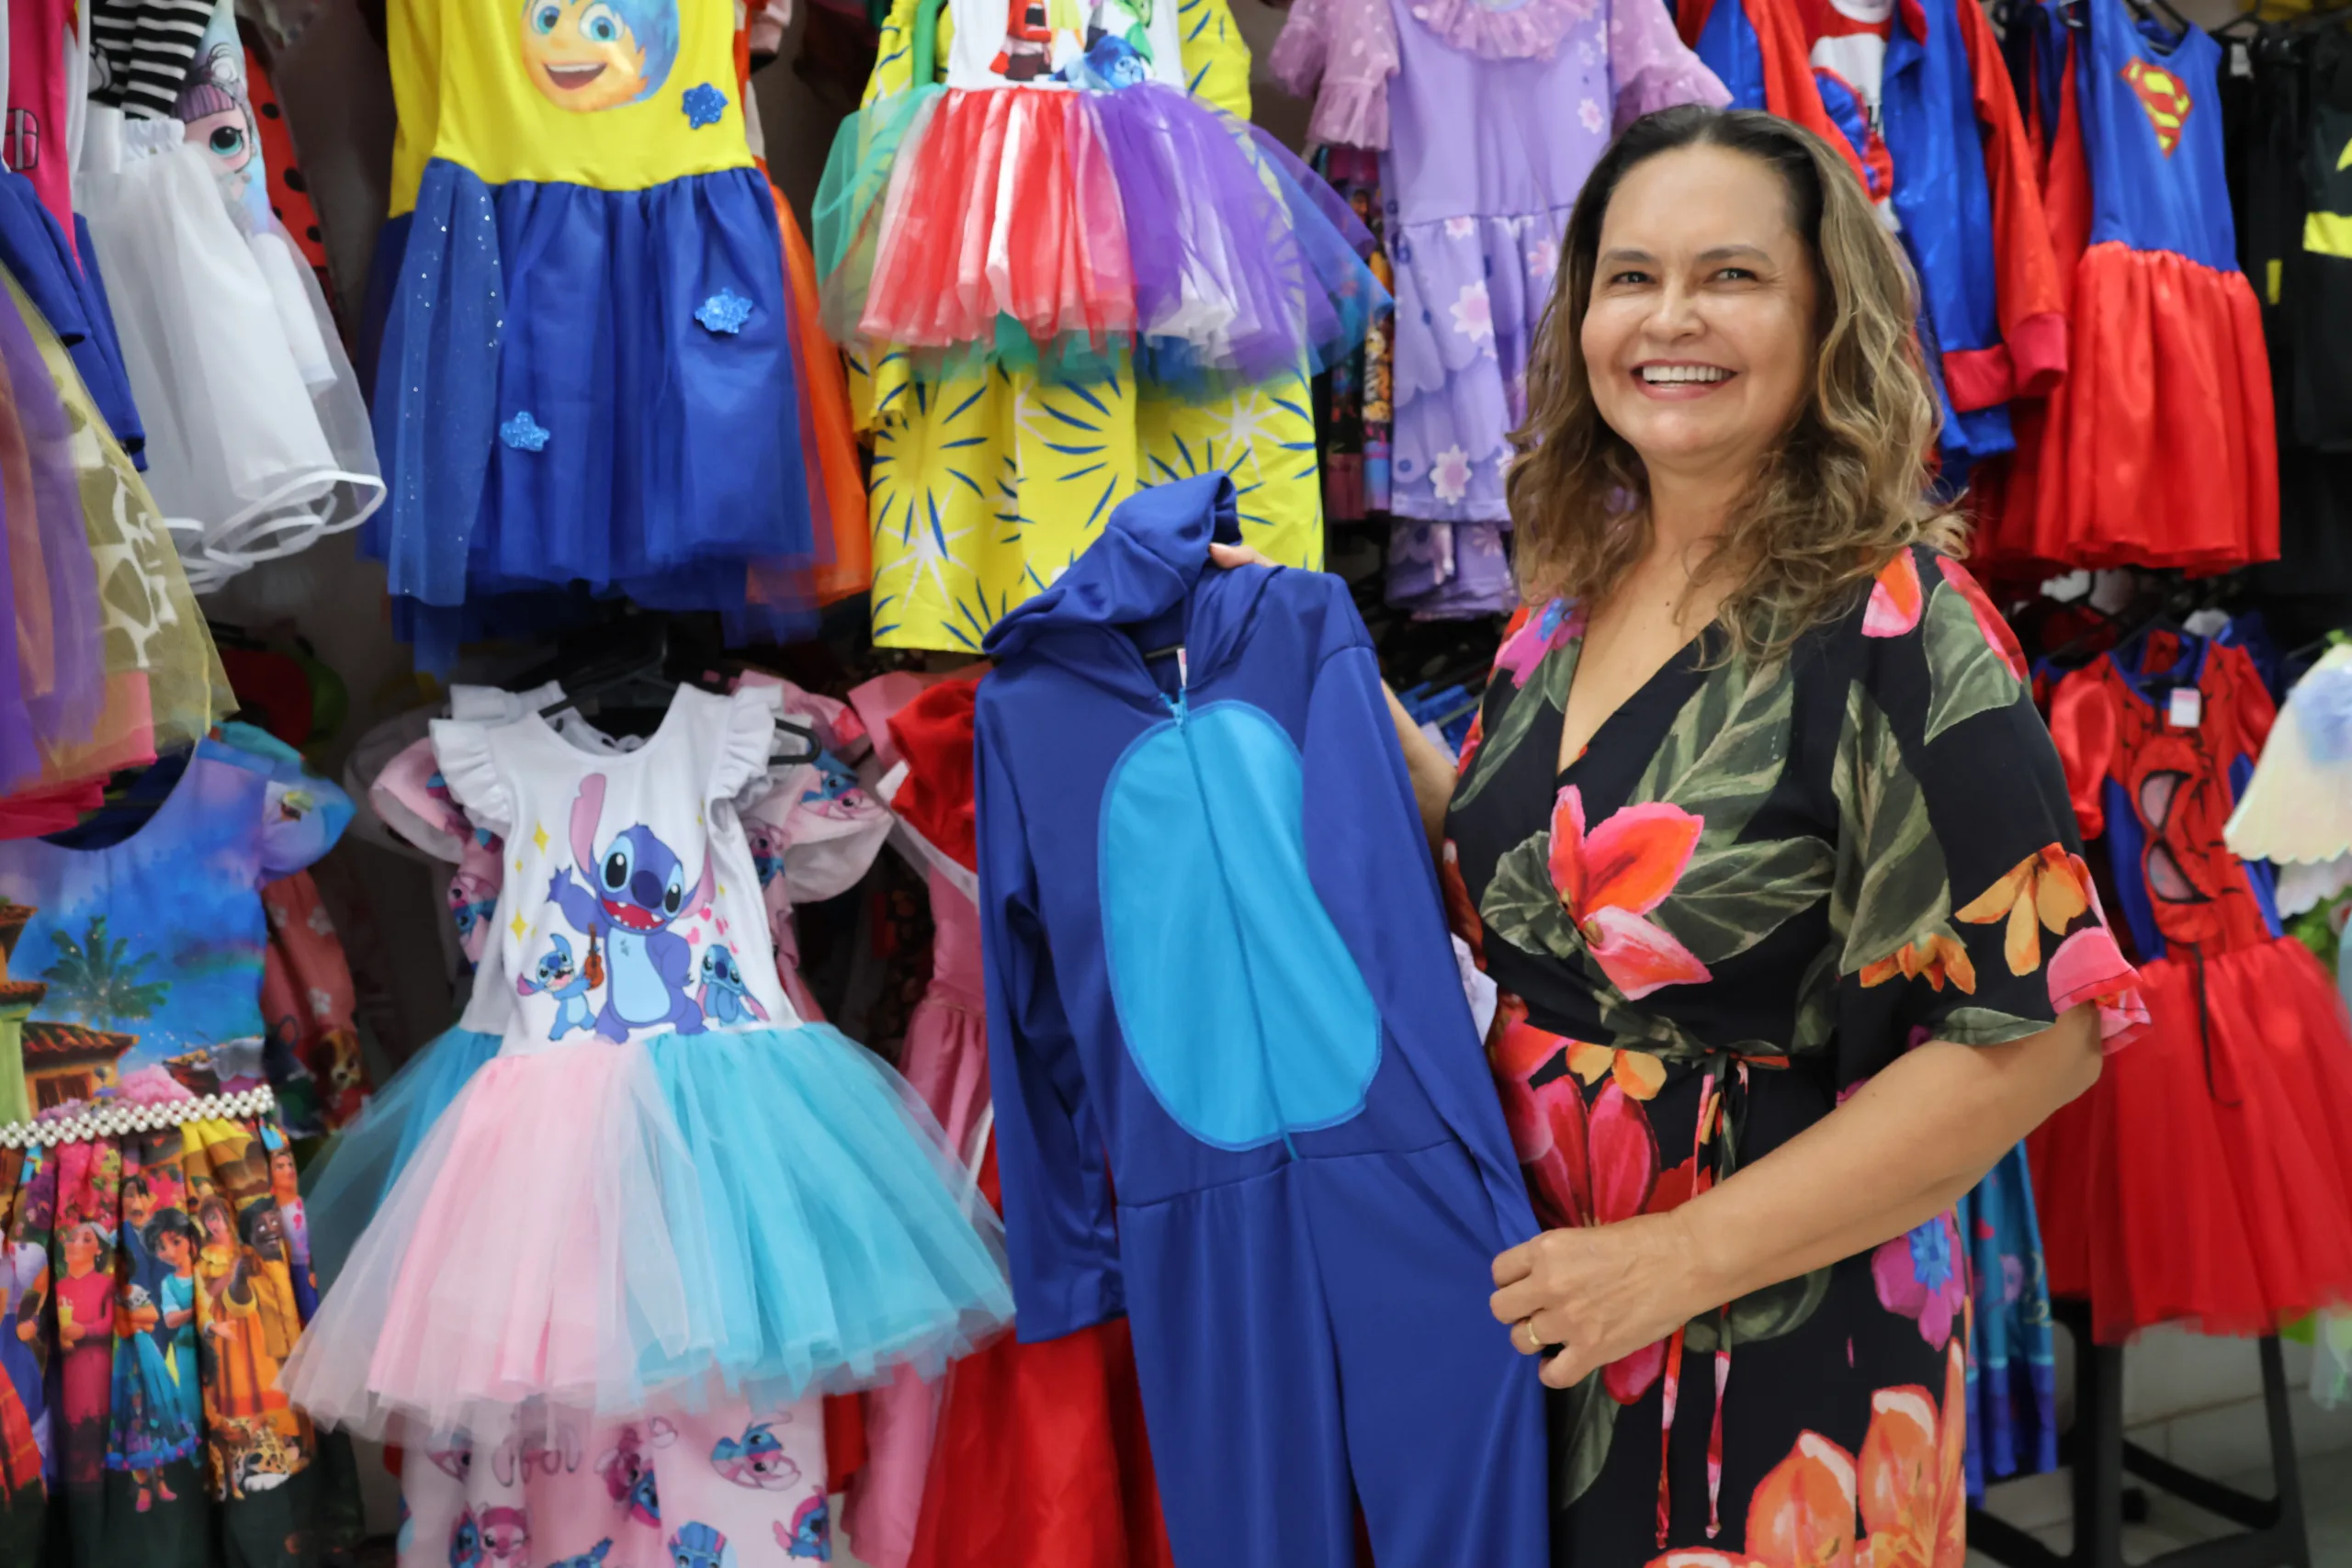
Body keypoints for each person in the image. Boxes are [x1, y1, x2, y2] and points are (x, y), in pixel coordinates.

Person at [1216, 105, 2143, 1563]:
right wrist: (1337, 708)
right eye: (1631, 276)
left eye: (1732, 276)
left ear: (1827, 311)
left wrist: (1668, 1263)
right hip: (1543, 1317)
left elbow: (2036, 1037)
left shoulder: (1896, 624)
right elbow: (1559, 906)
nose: (1672, 318)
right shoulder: (1566, 606)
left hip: (1773, 1346)